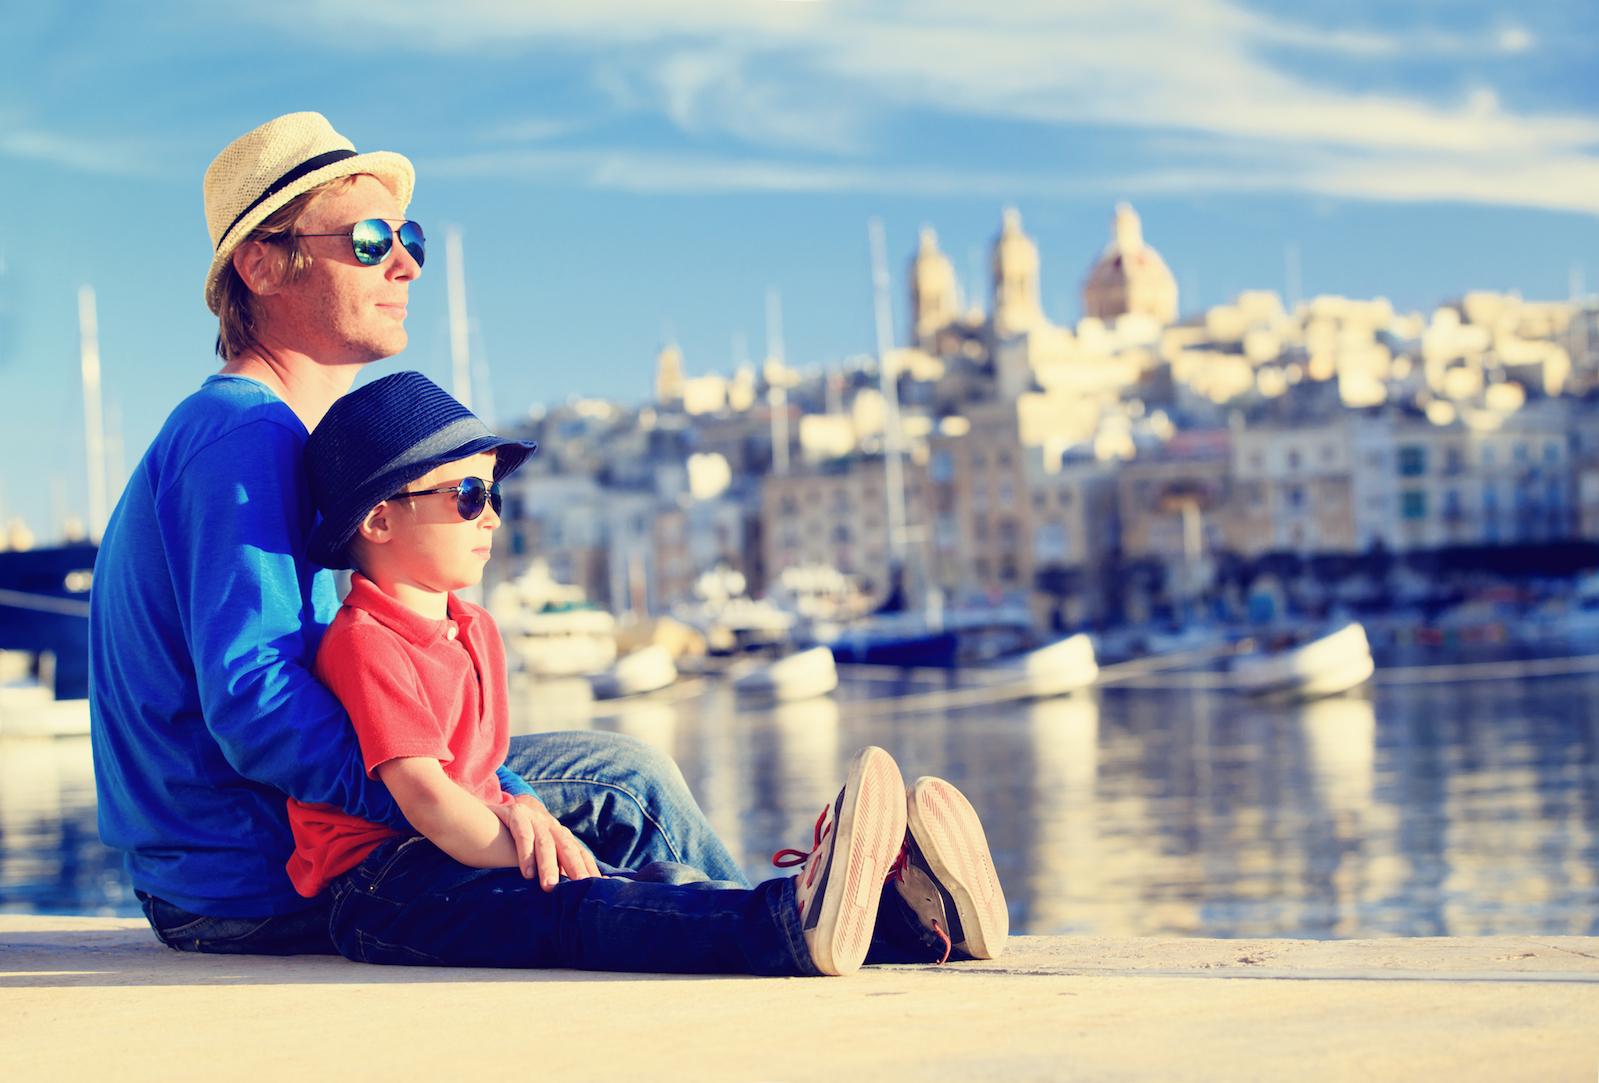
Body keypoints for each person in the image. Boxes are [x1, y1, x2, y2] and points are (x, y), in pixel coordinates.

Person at [89, 111, 742, 955]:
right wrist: (459, 804)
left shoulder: (273, 434)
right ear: (259, 263)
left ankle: (788, 918)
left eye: (410, 239)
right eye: (367, 241)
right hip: (249, 872)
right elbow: (254, 700)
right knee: (626, 784)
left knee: (586, 799)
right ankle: (788, 930)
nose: (403, 263)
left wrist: (495, 787)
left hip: (241, 857)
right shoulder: (242, 438)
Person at [291, 370, 1008, 974]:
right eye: (468, 498)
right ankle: (796, 918)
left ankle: (907, 927)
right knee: (581, 906)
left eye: (495, 497)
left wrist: (529, 817)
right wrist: (532, 851)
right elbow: (426, 799)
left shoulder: (474, 627)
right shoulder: (366, 641)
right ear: (379, 521)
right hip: (384, 888)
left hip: (463, 850)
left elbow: (483, 771)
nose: (492, 520)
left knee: (643, 886)